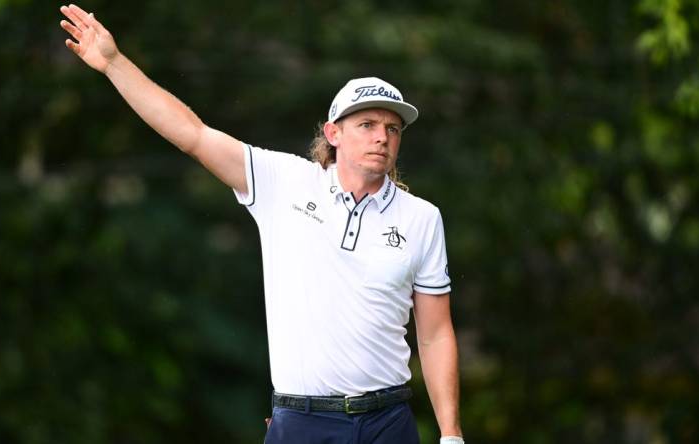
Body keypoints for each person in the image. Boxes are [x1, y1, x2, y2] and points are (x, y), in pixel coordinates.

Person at [59, 4, 463, 443]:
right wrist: (115, 64)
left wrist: (450, 432)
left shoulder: (422, 218)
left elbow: (436, 334)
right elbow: (193, 134)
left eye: (393, 128)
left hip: (388, 422)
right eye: (366, 124)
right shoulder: (284, 182)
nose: (382, 137)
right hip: (302, 421)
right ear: (333, 134)